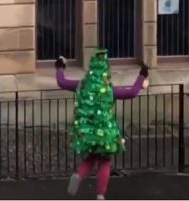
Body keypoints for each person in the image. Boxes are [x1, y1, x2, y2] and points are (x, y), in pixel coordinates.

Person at [55, 51, 149, 200]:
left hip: (87, 130)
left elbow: (62, 82)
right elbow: (131, 93)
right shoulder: (109, 90)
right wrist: (142, 76)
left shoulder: (82, 85)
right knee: (105, 162)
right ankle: (100, 195)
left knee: (91, 157)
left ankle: (79, 176)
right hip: (106, 132)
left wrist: (60, 67)